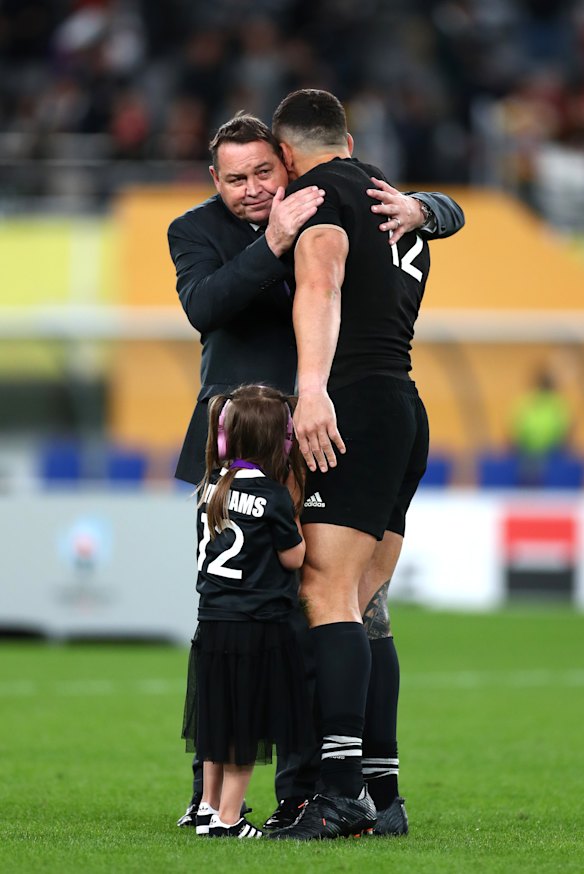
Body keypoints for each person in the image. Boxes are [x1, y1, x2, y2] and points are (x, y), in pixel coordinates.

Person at [168, 112, 465, 830]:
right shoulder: (196, 229)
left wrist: (428, 208)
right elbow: (204, 306)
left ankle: (321, 791)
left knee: (331, 608)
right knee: (233, 616)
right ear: (216, 180)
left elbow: (433, 218)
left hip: (326, 429)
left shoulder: (334, 206)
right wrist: (274, 241)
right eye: (234, 179)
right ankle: (216, 792)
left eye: (262, 173)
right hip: (244, 446)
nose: (250, 189)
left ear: (286, 160)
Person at [266, 88, 439, 840]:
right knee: (365, 609)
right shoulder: (394, 204)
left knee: (324, 588)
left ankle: (338, 794)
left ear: (286, 152)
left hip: (351, 407)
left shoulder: (316, 196)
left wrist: (310, 391)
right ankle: (383, 792)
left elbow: (322, 280)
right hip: (404, 404)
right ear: (349, 136)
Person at [181, 384, 308, 838]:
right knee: (245, 728)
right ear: (279, 442)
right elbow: (294, 557)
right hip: (255, 628)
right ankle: (230, 819)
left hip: (210, 624)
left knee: (216, 725)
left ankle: (207, 807)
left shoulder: (209, 487)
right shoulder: (272, 496)